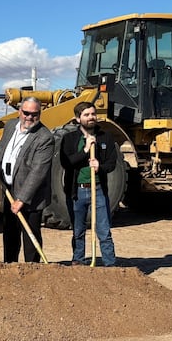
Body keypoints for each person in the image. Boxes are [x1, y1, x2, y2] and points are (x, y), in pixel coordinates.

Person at [0, 96, 54, 263]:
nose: (30, 117)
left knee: (30, 235)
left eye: (35, 114)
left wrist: (22, 199)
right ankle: (10, 266)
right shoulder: (11, 125)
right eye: (26, 113)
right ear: (20, 111)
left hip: (31, 196)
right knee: (10, 233)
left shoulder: (44, 137)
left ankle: (32, 270)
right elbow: (2, 147)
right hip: (9, 188)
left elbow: (38, 172)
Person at [60, 101, 117, 266]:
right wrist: (85, 150)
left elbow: (111, 163)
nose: (91, 117)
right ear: (78, 118)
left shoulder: (106, 137)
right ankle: (78, 261)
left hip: (98, 190)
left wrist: (100, 167)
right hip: (77, 192)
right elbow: (67, 163)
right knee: (78, 230)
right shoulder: (69, 139)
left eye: (93, 114)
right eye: (86, 115)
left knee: (103, 231)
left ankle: (110, 265)